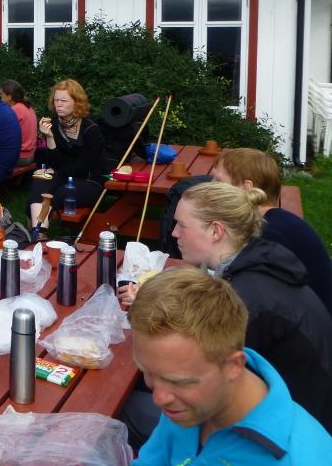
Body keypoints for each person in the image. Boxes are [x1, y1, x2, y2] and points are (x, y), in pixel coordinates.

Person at [120, 181, 332, 434]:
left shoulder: (245, 299)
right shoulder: (259, 261)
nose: (174, 233)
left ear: (215, 231)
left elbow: (193, 369)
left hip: (282, 428)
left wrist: (145, 313)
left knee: (122, 403)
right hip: (295, 407)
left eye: (182, 225)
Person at [129, 267, 332, 465]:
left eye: (180, 383)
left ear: (234, 366)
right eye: (148, 372)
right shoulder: (184, 399)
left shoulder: (295, 458)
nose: (159, 398)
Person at [211, 147, 332, 314]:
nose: (210, 186)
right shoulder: (274, 221)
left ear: (246, 187)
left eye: (218, 181)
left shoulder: (269, 235)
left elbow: (254, 299)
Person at [28, 79, 103, 225]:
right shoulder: (53, 125)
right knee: (40, 183)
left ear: (77, 102)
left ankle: (37, 228)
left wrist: (54, 172)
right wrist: (50, 137)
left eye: (63, 100)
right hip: (63, 175)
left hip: (88, 180)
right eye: (56, 100)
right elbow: (55, 162)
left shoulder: (91, 129)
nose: (58, 104)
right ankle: (40, 233)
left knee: (57, 193)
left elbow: (82, 167)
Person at [0, 79, 37, 165]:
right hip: (31, 155)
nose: (0, 98)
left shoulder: (14, 110)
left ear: (9, 97)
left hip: (19, 157)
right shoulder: (28, 107)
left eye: (2, 94)